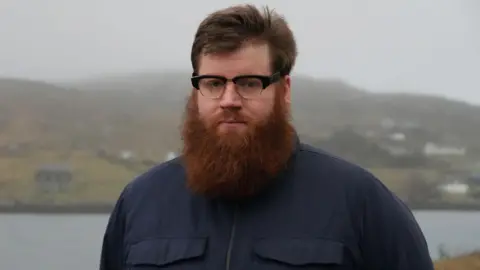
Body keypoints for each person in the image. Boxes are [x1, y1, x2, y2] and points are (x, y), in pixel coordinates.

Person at [99, 4, 434, 270]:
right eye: (214, 83)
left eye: (248, 83)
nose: (229, 100)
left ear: (283, 89)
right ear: (197, 90)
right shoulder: (140, 202)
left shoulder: (360, 202)